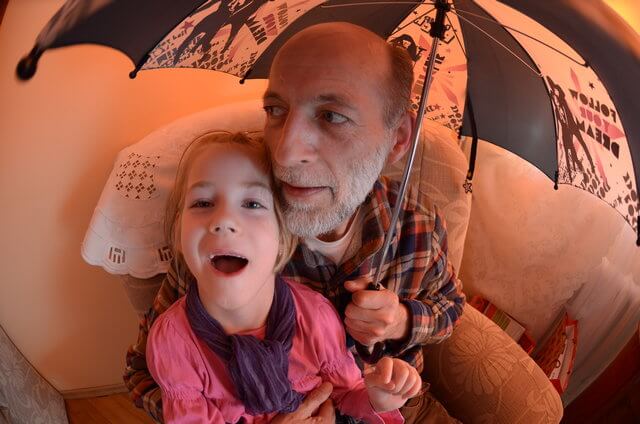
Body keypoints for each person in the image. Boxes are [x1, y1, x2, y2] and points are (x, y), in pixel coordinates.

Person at [125, 22, 465, 423]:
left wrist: (402, 321)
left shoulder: (416, 227)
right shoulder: (230, 235)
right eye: (276, 110)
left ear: (398, 139)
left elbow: (450, 306)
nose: (285, 152)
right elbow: (144, 374)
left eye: (331, 116)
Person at [146, 131, 420, 423]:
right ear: (178, 231)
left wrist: (378, 397)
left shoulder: (315, 318)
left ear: (283, 237)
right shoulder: (173, 343)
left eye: (252, 204)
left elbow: (347, 392)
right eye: (202, 203)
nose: (223, 220)